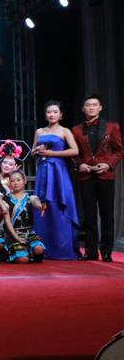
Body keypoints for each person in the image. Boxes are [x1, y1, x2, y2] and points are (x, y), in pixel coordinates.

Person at [71, 94, 122, 262]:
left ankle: (106, 251)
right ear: (83, 109)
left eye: (94, 105)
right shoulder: (76, 129)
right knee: (89, 215)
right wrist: (80, 164)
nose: (91, 107)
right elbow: (74, 153)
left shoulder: (112, 127)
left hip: (105, 175)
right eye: (88, 105)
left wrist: (108, 164)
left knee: (107, 214)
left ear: (100, 108)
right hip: (86, 176)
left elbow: (119, 151)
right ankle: (90, 251)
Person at [33, 100, 80, 260]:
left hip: (58, 171)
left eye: (55, 112)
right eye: (49, 112)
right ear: (45, 114)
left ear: (61, 115)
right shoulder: (39, 131)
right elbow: (32, 151)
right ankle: (42, 247)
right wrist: (37, 150)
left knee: (59, 204)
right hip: (43, 171)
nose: (51, 114)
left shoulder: (65, 131)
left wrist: (51, 154)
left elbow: (75, 150)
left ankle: (61, 248)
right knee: (41, 204)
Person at [0, 170, 46, 263]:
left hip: (28, 234)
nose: (15, 183)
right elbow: (7, 221)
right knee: (22, 259)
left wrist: (40, 206)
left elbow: (36, 201)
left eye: (18, 180)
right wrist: (16, 237)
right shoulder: (6, 199)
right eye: (12, 181)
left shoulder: (30, 198)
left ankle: (31, 253)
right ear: (9, 183)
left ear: (25, 181)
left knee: (39, 249)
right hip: (12, 234)